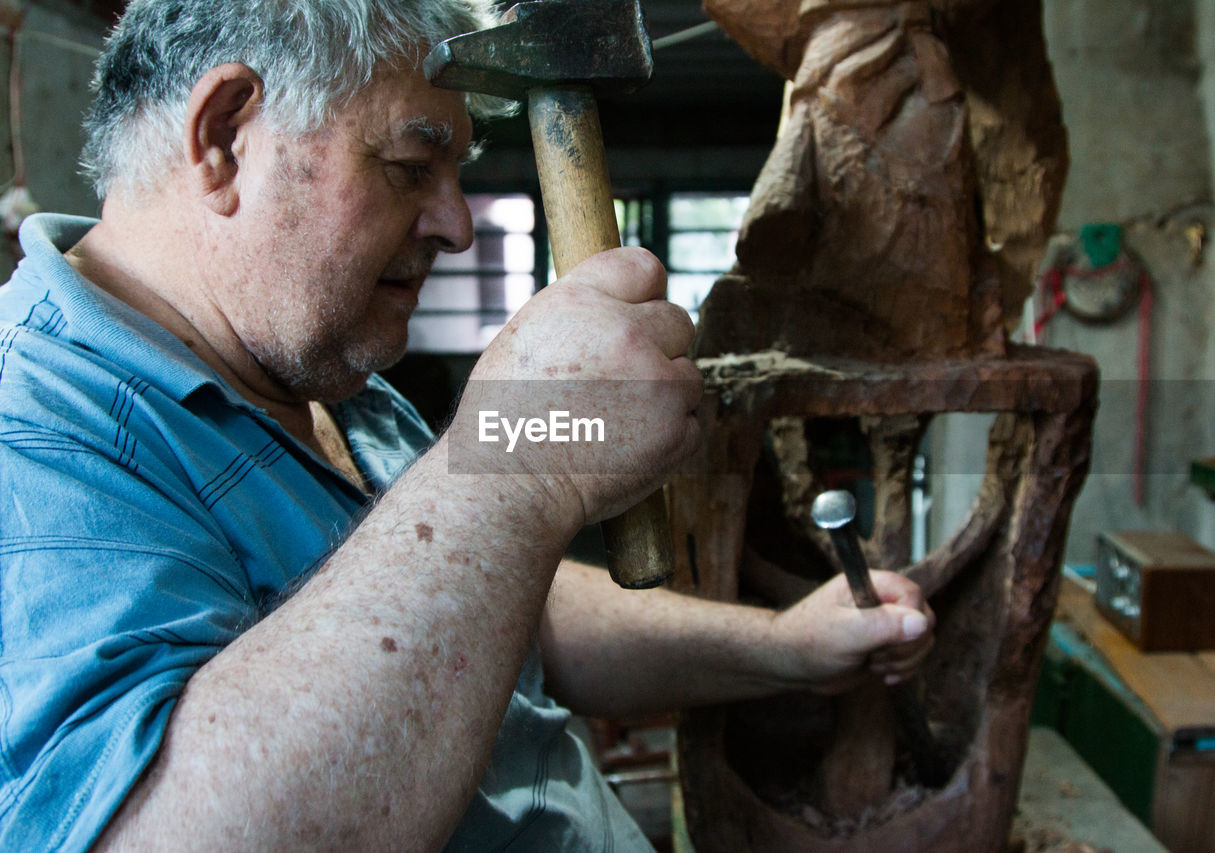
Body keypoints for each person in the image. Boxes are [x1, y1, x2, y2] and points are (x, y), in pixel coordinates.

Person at [0, 1, 935, 850]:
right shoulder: (34, 428)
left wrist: (782, 649)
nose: (457, 224)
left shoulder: (329, 376)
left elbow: (506, 594)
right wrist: (511, 474)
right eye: (412, 165)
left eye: (455, 174)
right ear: (225, 135)